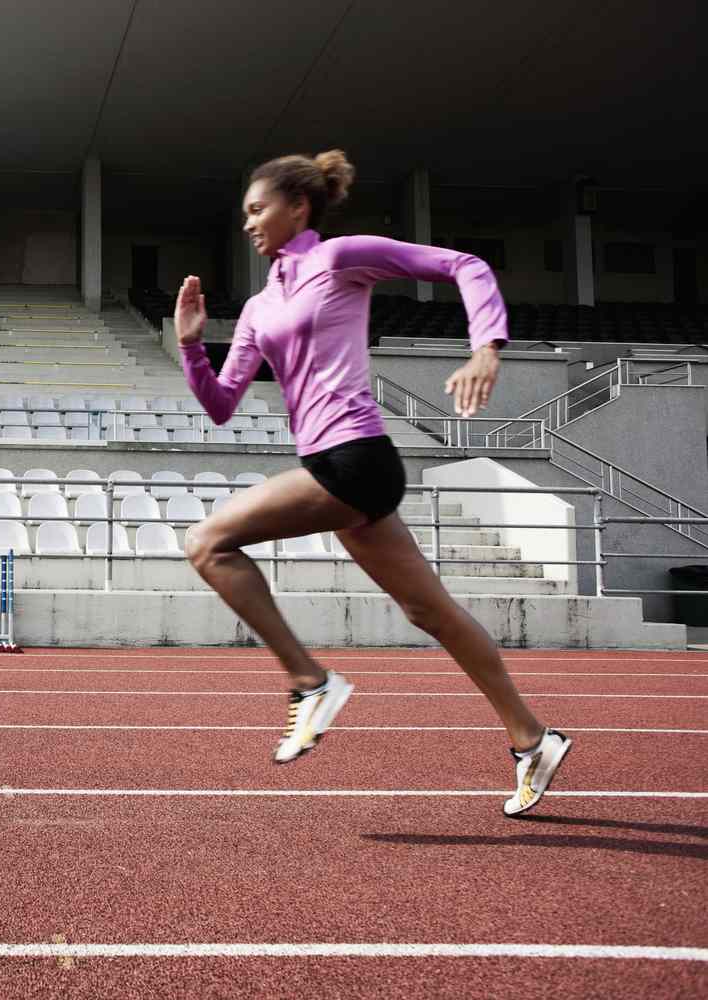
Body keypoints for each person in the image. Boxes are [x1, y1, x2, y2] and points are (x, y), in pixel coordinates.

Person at [174, 149, 570, 817]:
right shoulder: (257, 309)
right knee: (430, 612)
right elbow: (220, 405)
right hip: (335, 470)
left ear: (297, 207)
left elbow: (462, 265)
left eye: (257, 209)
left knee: (208, 543)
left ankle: (310, 683)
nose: (248, 224)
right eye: (243, 213)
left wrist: (485, 346)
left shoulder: (339, 259)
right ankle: (531, 739)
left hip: (356, 458)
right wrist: (190, 346)